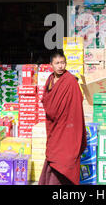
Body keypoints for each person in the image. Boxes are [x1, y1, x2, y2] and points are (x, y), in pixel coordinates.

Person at [38, 50, 87, 185]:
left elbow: (76, 104)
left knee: (65, 158)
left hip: (67, 127)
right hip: (54, 126)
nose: (60, 66)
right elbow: (46, 100)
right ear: (51, 65)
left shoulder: (70, 81)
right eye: (57, 63)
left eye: (63, 63)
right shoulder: (49, 79)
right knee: (53, 155)